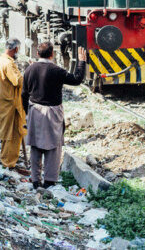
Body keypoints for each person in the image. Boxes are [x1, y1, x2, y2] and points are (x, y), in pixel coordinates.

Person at [22, 43, 86, 189]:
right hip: (53, 111)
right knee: (53, 145)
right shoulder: (57, 70)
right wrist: (81, 62)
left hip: (35, 110)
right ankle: (50, 181)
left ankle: (35, 180)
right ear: (52, 54)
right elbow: (76, 79)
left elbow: (24, 94)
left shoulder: (29, 69)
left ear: (37, 54)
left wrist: (27, 112)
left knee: (35, 145)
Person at [0, 39, 28, 171]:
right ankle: (9, 163)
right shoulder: (8, 64)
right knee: (12, 134)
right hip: (11, 105)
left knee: (6, 133)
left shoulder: (0, 61)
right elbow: (19, 81)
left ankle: (6, 159)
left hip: (4, 103)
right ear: (16, 49)